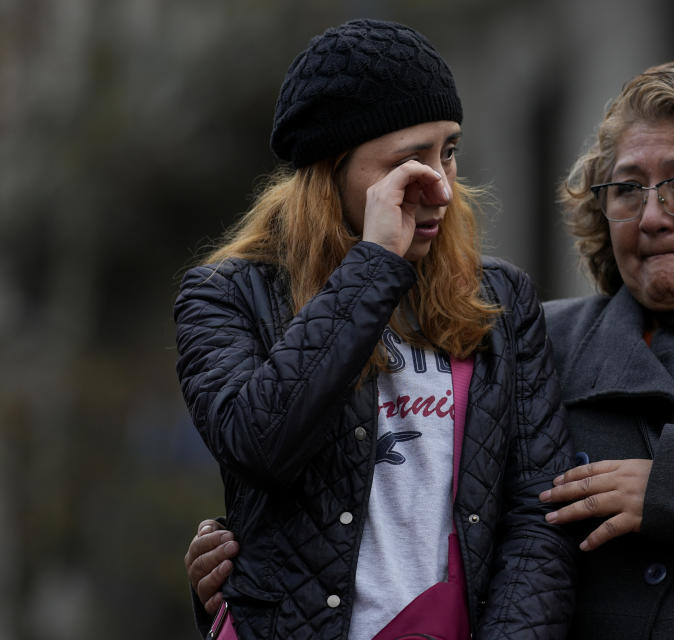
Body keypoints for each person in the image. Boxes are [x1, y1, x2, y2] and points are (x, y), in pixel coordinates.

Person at [184, 60, 674, 639]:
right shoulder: (541, 337)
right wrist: (257, 562)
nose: (650, 215)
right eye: (625, 189)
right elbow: (430, 513)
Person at [174, 18, 575, 640]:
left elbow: (537, 518)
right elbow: (261, 444)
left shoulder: (498, 297)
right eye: (408, 161)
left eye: (449, 151)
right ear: (331, 171)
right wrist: (375, 264)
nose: (440, 186)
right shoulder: (228, 294)